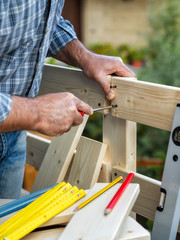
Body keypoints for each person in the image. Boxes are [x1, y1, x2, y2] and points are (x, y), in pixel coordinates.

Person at [0, 0, 134, 199]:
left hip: (15, 133)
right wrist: (37, 113)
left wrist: (84, 57)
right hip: (16, 118)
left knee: (7, 228)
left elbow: (43, 24)